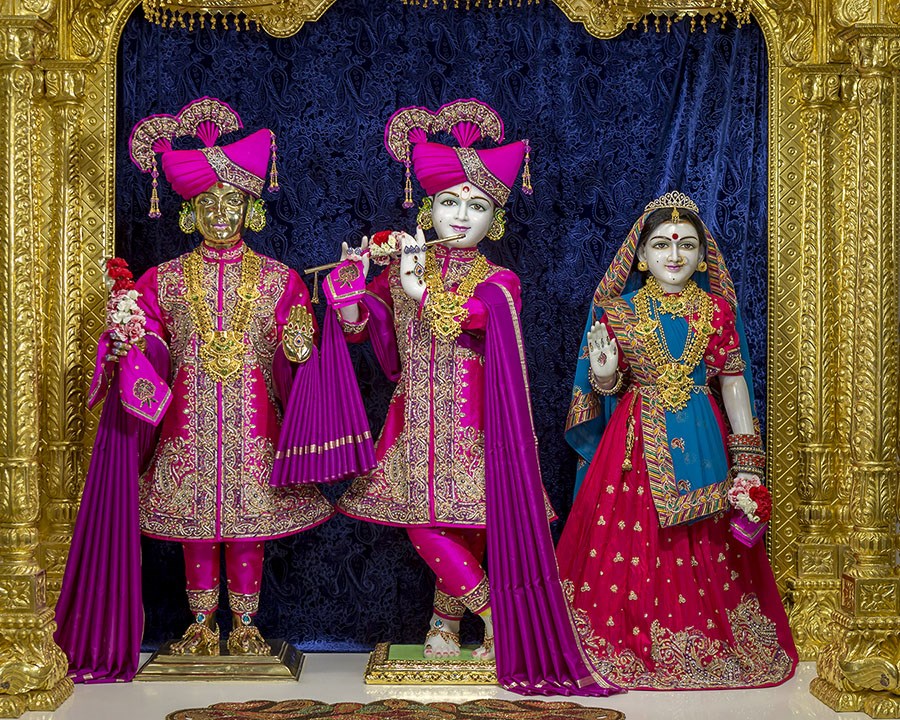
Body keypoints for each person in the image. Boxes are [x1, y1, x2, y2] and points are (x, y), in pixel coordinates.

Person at [332, 99, 618, 696]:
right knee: (429, 524)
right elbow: (368, 334)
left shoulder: (498, 281)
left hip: (478, 428)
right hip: (413, 423)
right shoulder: (403, 267)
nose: (461, 217)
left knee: (463, 526)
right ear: (428, 207)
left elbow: (470, 318)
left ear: (497, 218)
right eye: (449, 202)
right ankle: (472, 622)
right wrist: (351, 291)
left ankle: (470, 622)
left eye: (478, 205)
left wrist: (417, 288)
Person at [55, 98, 347, 680]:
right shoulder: (161, 279)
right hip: (188, 430)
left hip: (254, 427)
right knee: (195, 528)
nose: (219, 213)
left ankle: (246, 625)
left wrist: (298, 350)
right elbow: (154, 353)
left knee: (247, 528)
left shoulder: (281, 280)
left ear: (250, 207)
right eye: (206, 202)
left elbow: (296, 367)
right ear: (189, 210)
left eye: (231, 201)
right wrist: (131, 342)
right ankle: (199, 624)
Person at [557, 191, 798, 689]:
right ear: (641, 257)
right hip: (635, 444)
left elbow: (733, 383)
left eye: (687, 245)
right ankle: (632, 636)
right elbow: (607, 387)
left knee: (704, 536)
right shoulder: (616, 311)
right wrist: (605, 374)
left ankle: (701, 639)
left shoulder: (717, 311)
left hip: (703, 437)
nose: (674, 255)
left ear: (702, 256)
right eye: (662, 245)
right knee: (630, 538)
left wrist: (748, 461)